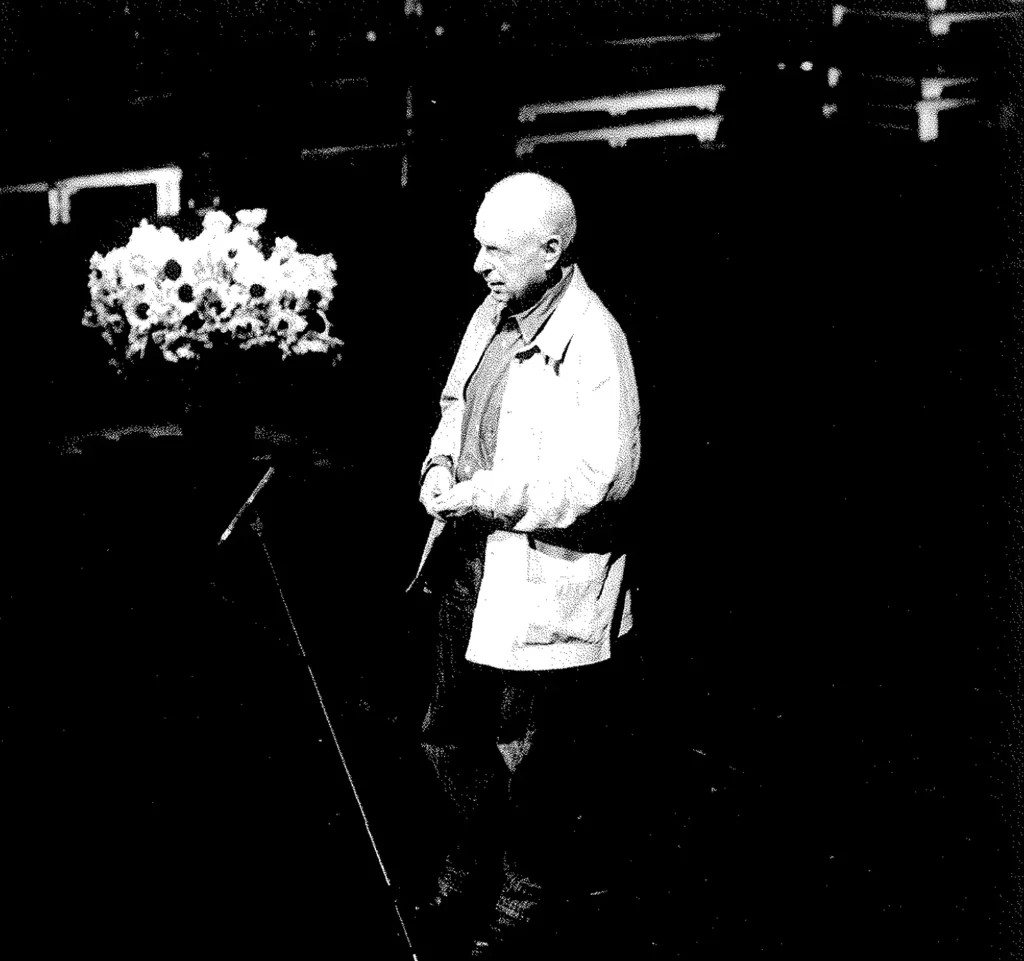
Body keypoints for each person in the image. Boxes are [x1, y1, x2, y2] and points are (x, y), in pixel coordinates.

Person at [407, 171, 641, 958]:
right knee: (449, 735)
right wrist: (440, 467)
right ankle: (466, 872)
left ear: (551, 250)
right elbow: (455, 407)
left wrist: (491, 495)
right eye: (478, 245)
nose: (479, 264)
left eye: (496, 250)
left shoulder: (596, 340)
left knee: (528, 756)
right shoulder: (490, 315)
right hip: (468, 566)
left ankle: (521, 903)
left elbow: (604, 476)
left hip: (540, 576)